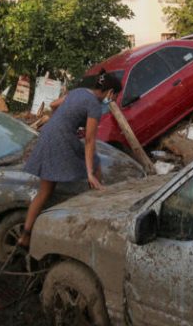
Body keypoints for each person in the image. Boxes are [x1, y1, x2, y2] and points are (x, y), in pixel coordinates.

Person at [18, 70, 122, 248]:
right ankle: (98, 205)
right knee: (95, 163)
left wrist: (68, 119)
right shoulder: (95, 106)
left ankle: (25, 235)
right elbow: (90, 140)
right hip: (62, 139)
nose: (112, 100)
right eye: (114, 96)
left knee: (45, 190)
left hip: (48, 133)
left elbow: (53, 104)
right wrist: (89, 173)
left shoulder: (79, 91)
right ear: (110, 92)